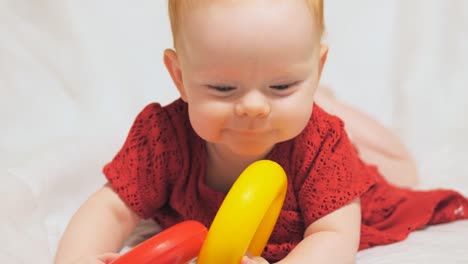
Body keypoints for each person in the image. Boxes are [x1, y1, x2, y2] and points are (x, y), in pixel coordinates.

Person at [54, 1, 467, 263]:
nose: (253, 106)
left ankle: (326, 100)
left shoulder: (321, 145)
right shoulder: (164, 138)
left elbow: (335, 235)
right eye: (222, 88)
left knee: (402, 171)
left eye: (281, 85)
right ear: (179, 77)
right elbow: (111, 207)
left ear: (317, 66)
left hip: (351, 178)